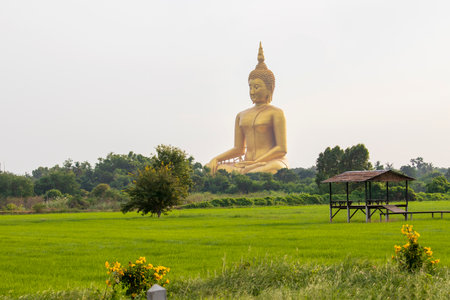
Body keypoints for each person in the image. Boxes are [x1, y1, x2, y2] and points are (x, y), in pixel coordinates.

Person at [207, 43, 288, 174]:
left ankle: (246, 172)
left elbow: (282, 149)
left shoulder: (276, 113)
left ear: (269, 88)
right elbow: (239, 149)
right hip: (246, 164)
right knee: (212, 168)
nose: (252, 91)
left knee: (275, 168)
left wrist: (256, 162)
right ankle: (246, 172)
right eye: (250, 87)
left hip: (270, 162)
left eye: (256, 87)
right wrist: (216, 159)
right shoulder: (241, 115)